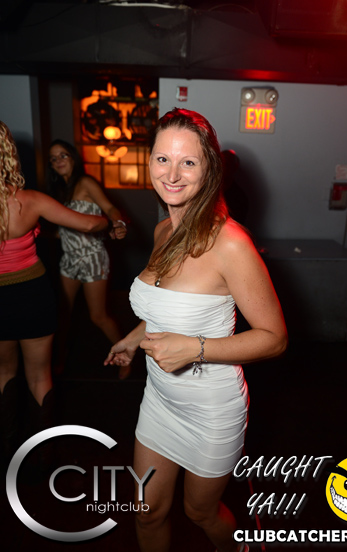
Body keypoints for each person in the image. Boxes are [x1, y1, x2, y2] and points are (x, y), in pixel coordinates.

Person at [104, 108, 288, 552]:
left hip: (211, 410)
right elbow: (166, 310)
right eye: (162, 159)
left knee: (200, 512)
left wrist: (195, 348)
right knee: (147, 512)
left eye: (188, 162)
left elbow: (275, 338)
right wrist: (132, 339)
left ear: (209, 170)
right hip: (159, 400)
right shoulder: (162, 231)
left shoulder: (231, 243)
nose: (172, 174)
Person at [0, 121, 109, 457]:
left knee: (3, 373)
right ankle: (41, 456)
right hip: (32, 296)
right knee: (39, 375)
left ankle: (7, 448)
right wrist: (108, 222)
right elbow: (90, 223)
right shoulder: (30, 201)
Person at [46, 139, 128, 375]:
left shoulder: (85, 182)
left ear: (73, 157)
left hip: (92, 257)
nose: (58, 161)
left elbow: (109, 209)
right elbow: (66, 228)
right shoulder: (60, 191)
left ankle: (126, 356)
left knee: (98, 316)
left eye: (63, 155)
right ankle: (59, 360)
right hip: (69, 259)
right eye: (53, 158)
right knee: (63, 313)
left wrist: (119, 223)